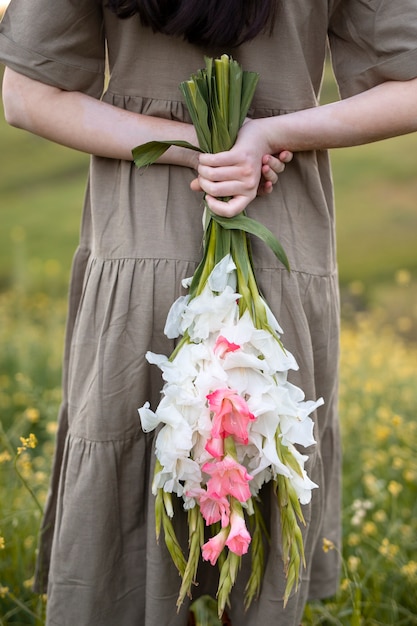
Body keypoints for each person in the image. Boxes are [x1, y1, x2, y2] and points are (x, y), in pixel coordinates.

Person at [1, 1, 417, 624]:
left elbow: (26, 95)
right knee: (261, 488)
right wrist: (268, 136)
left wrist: (188, 146)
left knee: (132, 513)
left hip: (139, 239)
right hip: (279, 237)